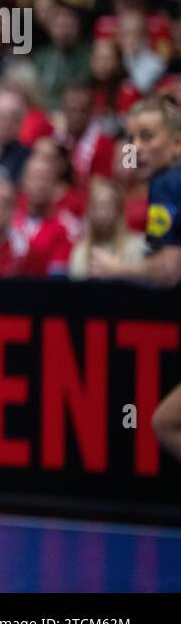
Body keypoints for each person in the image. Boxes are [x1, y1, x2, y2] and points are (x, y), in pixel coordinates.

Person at [88, 98, 181, 463]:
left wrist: (117, 268)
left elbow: (171, 269)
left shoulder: (169, 183)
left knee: (165, 423)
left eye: (148, 137)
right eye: (131, 138)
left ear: (176, 143)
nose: (137, 148)